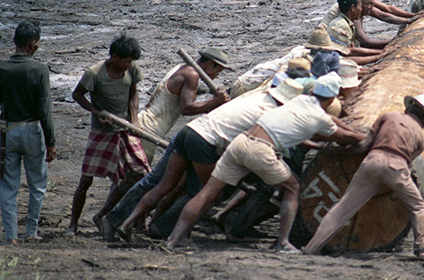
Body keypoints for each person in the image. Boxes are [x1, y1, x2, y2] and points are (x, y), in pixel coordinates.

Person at [162, 72, 367, 253]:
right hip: (260, 149)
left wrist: (347, 128)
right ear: (332, 97)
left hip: (240, 143)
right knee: (292, 188)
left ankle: (173, 240)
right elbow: (342, 136)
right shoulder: (318, 116)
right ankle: (283, 243)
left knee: (207, 193)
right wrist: (367, 136)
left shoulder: (300, 100)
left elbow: (333, 123)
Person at [113, 79, 305, 242]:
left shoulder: (255, 97)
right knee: (210, 192)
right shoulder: (271, 112)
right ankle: (166, 228)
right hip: (204, 141)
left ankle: (126, 223)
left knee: (164, 185)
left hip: (190, 130)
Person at [302, 94, 424, 258]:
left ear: (409, 107)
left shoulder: (389, 116)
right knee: (418, 207)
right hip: (397, 167)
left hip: (372, 162)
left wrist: (340, 150)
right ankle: (422, 247)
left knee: (342, 209)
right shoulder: (421, 137)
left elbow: (363, 145)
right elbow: (409, 163)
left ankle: (312, 248)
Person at [67, 34, 150, 235]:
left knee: (143, 173)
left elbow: (133, 94)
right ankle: (72, 225)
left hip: (124, 130)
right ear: (115, 57)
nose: (129, 65)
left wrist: (134, 119)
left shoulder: (132, 70)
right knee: (86, 180)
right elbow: (77, 95)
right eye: (127, 60)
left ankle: (135, 221)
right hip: (102, 131)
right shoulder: (94, 74)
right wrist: (97, 112)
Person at [0, 20, 57, 245]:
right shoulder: (39, 69)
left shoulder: (2, 69)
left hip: (8, 131)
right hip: (32, 131)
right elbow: (45, 109)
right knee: (37, 184)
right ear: (33, 44)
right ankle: (31, 231)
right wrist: (51, 141)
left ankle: (11, 235)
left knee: (8, 185)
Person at [137, 47, 230, 164]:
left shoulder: (182, 67)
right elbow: (186, 108)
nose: (217, 75)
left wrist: (212, 105)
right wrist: (214, 101)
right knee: (137, 175)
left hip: (142, 122)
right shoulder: (191, 74)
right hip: (148, 130)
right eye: (218, 71)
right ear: (210, 64)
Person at [327, 0, 386, 65]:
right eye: (360, 6)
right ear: (352, 8)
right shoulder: (341, 26)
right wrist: (379, 55)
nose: (361, 10)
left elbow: (352, 50)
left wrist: (381, 52)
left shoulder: (348, 23)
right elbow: (345, 56)